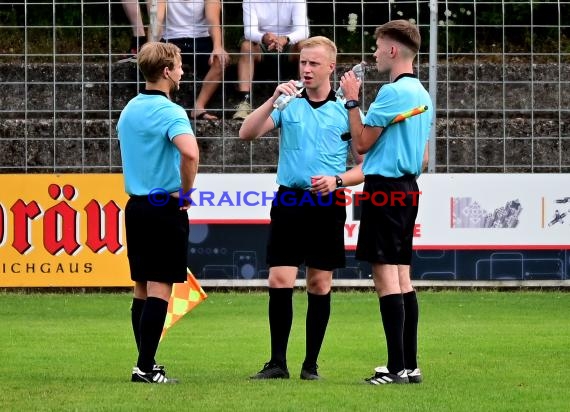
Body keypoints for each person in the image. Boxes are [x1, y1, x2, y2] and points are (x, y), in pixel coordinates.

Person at [239, 36, 364, 380]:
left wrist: (338, 181)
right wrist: (272, 99)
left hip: (326, 203)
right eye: (303, 63)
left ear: (330, 68)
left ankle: (311, 365)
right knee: (279, 278)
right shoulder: (288, 104)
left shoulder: (347, 110)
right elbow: (246, 133)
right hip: (289, 199)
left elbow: (366, 164)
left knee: (319, 284)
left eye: (313, 64)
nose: (306, 69)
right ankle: (277, 362)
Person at [339, 19, 433, 385]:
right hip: (408, 188)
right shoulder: (422, 93)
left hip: (386, 189)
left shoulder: (392, 94)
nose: (375, 53)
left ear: (393, 50)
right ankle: (409, 365)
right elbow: (423, 158)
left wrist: (351, 100)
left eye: (378, 47)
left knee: (385, 277)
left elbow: (360, 144)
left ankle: (395, 368)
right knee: (402, 276)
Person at [117, 41, 199, 384]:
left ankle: (145, 362)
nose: (182, 71)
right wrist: (186, 192)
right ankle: (145, 368)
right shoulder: (171, 112)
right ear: (166, 72)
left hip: (135, 206)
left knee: (141, 287)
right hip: (163, 205)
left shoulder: (130, 109)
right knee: (160, 288)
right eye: (179, 66)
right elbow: (190, 153)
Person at [233, 0, 310, 120]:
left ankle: (305, 97)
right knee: (246, 46)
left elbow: (303, 31)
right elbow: (249, 32)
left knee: (305, 46)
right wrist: (264, 37)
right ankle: (244, 101)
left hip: (289, 44)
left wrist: (286, 39)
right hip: (262, 44)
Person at [160, 0, 230, 120]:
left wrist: (218, 47)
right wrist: (150, 47)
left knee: (220, 60)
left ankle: (199, 107)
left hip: (201, 39)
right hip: (171, 38)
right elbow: (156, 20)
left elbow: (213, 21)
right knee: (157, 62)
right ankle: (166, 108)